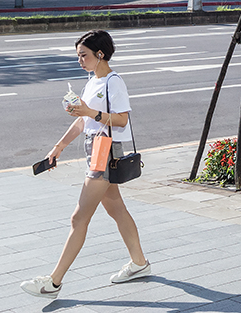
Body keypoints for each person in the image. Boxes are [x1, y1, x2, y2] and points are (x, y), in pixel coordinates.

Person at [20, 31, 150, 297]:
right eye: (78, 56)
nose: (79, 60)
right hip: (95, 148)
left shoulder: (113, 82)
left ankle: (53, 283)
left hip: (106, 151)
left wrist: (90, 112)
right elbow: (83, 121)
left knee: (78, 217)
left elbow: (122, 119)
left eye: (84, 55)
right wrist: (59, 146)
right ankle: (139, 263)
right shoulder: (92, 82)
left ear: (100, 54)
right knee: (117, 209)